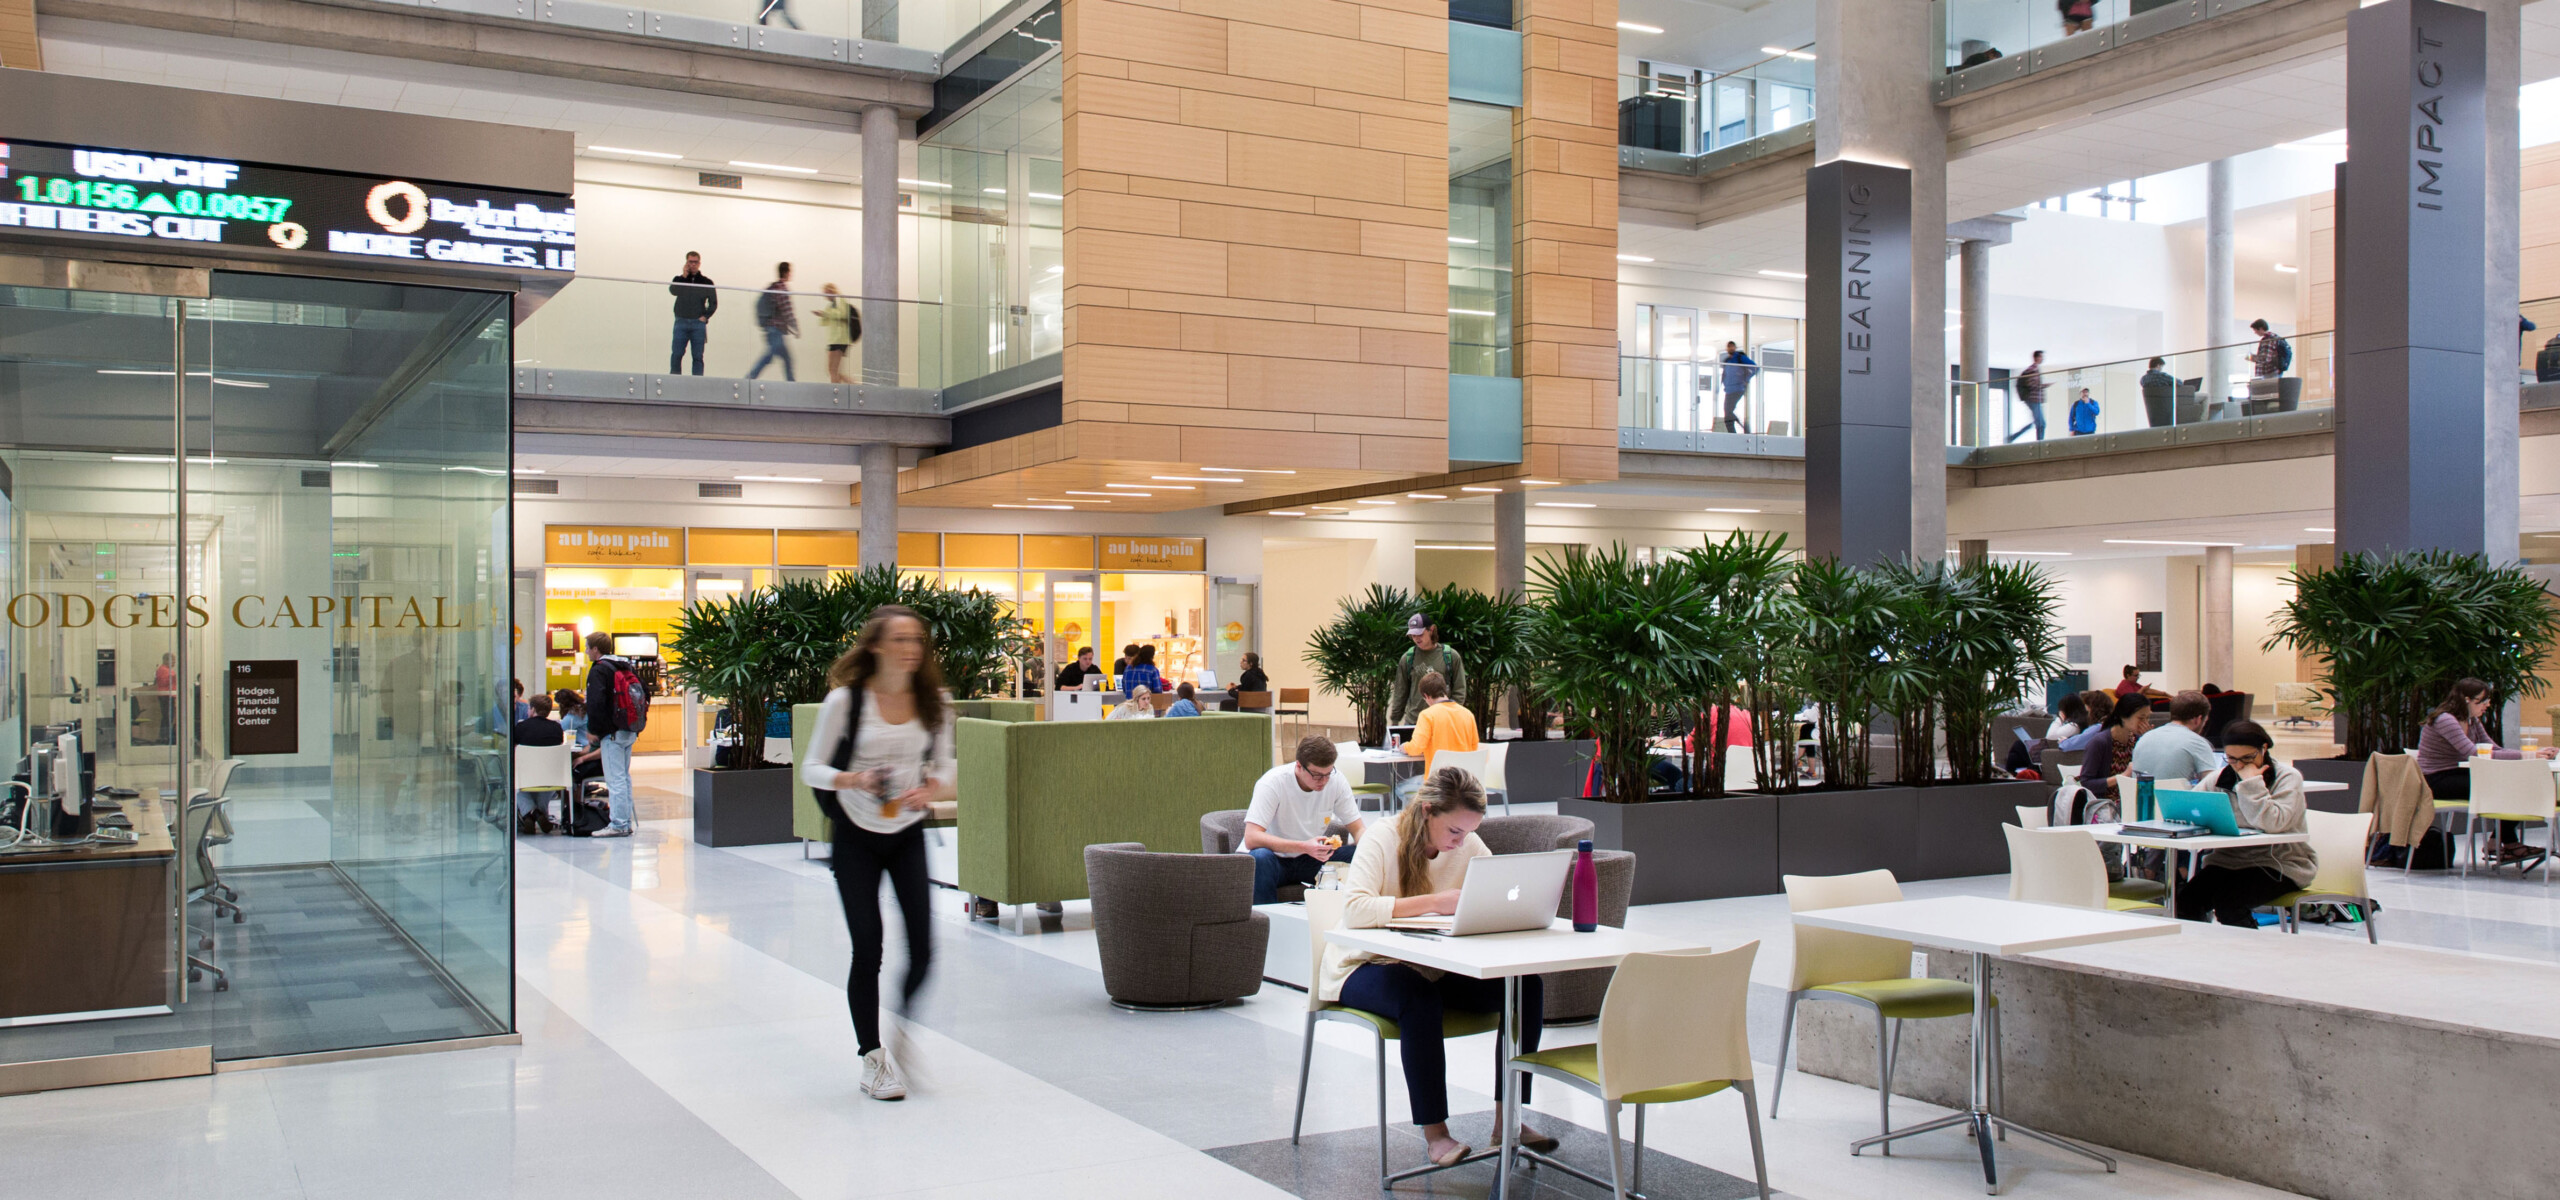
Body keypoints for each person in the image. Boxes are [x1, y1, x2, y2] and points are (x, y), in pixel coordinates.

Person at [1325, 767, 1553, 1169]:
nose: (1460, 842)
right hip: (1360, 966)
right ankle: (1436, 1134)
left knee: (1525, 987)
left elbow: (1496, 889)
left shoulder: (1466, 843)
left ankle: (1508, 1122)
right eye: (1454, 832)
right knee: (1418, 997)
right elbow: (1356, 910)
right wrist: (1436, 902)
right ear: (1427, 811)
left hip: (1431, 964)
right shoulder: (1383, 837)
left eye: (1467, 832)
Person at [802, 605, 956, 1101]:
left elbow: (947, 767)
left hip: (907, 830)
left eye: (917, 640)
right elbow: (811, 768)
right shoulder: (846, 701)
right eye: (900, 640)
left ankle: (903, 1031)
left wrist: (931, 788)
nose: (911, 649)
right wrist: (854, 779)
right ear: (874, 646)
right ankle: (872, 1058)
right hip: (855, 833)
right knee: (868, 947)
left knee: (924, 950)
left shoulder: (934, 701)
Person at [2175, 721, 2316, 927]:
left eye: (2247, 758)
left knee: (2229, 903)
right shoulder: (2219, 779)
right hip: (2228, 861)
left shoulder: (2288, 777)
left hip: (2280, 864)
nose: (2239, 766)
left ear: (2263, 749)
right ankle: (2201, 952)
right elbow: (2191, 807)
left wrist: (2251, 785)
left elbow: (2274, 823)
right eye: (2232, 759)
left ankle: (2250, 956)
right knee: (2187, 901)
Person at [2416, 678, 2558, 864]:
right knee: (2504, 787)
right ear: (2466, 700)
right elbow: (2473, 753)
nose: (2487, 705)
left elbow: (2494, 749)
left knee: (2513, 784)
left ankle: (2499, 841)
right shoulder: (2446, 720)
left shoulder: (2472, 721)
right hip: (2436, 779)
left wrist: (2534, 753)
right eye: (2482, 701)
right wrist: (2527, 756)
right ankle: (2505, 843)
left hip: (2457, 774)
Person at [1241, 735, 1365, 904]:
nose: (1324, 781)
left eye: (1328, 774)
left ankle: (1352, 916)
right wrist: (1304, 846)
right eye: (1317, 775)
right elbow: (1252, 837)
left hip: (1311, 859)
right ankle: (1267, 925)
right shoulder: (1273, 782)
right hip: (1275, 860)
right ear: (1299, 766)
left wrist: (1369, 847)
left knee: (1361, 854)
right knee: (1260, 858)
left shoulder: (1336, 781)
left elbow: (1358, 829)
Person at [583, 631, 642, 838]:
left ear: (596, 649)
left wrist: (593, 730)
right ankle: (624, 821)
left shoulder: (600, 670)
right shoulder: (624, 665)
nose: (586, 651)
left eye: (588, 647)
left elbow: (596, 702)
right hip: (628, 729)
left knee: (615, 779)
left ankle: (618, 824)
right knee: (624, 778)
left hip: (612, 733)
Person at [1393, 671, 1477, 805]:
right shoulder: (1468, 715)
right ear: (1445, 690)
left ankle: (1417, 824)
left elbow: (1416, 748)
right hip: (1464, 782)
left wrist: (1404, 747)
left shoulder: (1427, 715)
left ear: (1426, 696)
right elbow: (1474, 748)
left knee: (1399, 788)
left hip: (1437, 783)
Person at [1387, 612, 1465, 727]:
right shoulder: (1407, 658)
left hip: (1442, 722)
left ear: (1431, 630)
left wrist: (1450, 715)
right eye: (1413, 635)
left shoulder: (1450, 656)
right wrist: (1395, 721)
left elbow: (1460, 690)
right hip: (1414, 722)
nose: (1416, 638)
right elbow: (1400, 692)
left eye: (1420, 634)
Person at [2074, 693, 2153, 799]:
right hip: (2106, 805)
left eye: (2147, 718)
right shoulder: (2099, 742)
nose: (2145, 723)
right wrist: (2123, 777)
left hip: (2131, 800)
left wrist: (2147, 741)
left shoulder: (2137, 740)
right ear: (2123, 716)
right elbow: (2086, 783)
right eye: (2141, 718)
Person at [2130, 690, 2217, 785]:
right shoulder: (2198, 743)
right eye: (2205, 721)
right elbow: (2211, 787)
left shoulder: (2144, 738)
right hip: (2174, 799)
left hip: (2141, 799)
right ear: (2198, 719)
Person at [512, 693, 565, 834]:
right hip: (551, 777)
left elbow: (514, 748)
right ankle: (539, 815)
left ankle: (531, 813)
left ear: (533, 709)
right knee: (543, 784)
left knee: (512, 783)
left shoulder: (521, 727)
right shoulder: (556, 728)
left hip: (526, 776)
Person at [747, 262, 799, 381]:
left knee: (786, 358)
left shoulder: (773, 287)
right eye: (790, 271)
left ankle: (791, 382)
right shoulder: (782, 289)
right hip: (776, 330)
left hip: (771, 328)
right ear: (786, 272)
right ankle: (750, 377)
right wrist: (796, 327)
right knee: (770, 355)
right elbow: (787, 311)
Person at [669, 251, 716, 375]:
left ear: (699, 263)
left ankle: (697, 383)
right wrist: (684, 276)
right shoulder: (679, 279)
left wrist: (705, 317)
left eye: (695, 262)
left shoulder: (707, 282)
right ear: (686, 262)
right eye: (690, 262)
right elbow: (673, 291)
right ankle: (674, 380)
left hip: (698, 323)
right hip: (681, 321)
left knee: (697, 356)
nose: (693, 265)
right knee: (677, 353)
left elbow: (713, 303)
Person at [815, 283, 861, 384]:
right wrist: (822, 315)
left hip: (840, 339)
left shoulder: (840, 301)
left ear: (831, 291)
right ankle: (852, 385)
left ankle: (848, 387)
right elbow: (826, 321)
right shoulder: (831, 305)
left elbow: (842, 314)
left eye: (826, 293)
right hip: (835, 340)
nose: (825, 297)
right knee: (833, 370)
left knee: (833, 370)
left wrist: (825, 314)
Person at [1717, 340, 1758, 433]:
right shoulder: (1727, 360)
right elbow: (1725, 374)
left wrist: (1746, 379)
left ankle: (1742, 429)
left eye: (1732, 346)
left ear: (1735, 348)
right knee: (1727, 412)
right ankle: (1737, 430)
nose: (1730, 348)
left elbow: (1755, 367)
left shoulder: (1740, 358)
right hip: (1729, 390)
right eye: (1729, 346)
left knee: (1728, 411)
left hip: (1738, 388)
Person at [2006, 350, 2048, 442]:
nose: (2042, 359)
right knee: (2041, 423)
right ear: (2036, 357)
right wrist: (2043, 386)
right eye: (2041, 357)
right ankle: (2039, 443)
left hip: (2034, 399)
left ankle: (2013, 437)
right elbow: (2032, 385)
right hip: (2033, 399)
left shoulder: (2034, 369)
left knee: (2037, 422)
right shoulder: (2032, 370)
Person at [2139, 356, 2176, 427]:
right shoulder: (2161, 376)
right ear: (2158, 365)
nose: (2161, 369)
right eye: (2162, 367)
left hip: (2154, 413)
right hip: (2167, 407)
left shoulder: (2143, 379)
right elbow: (2179, 382)